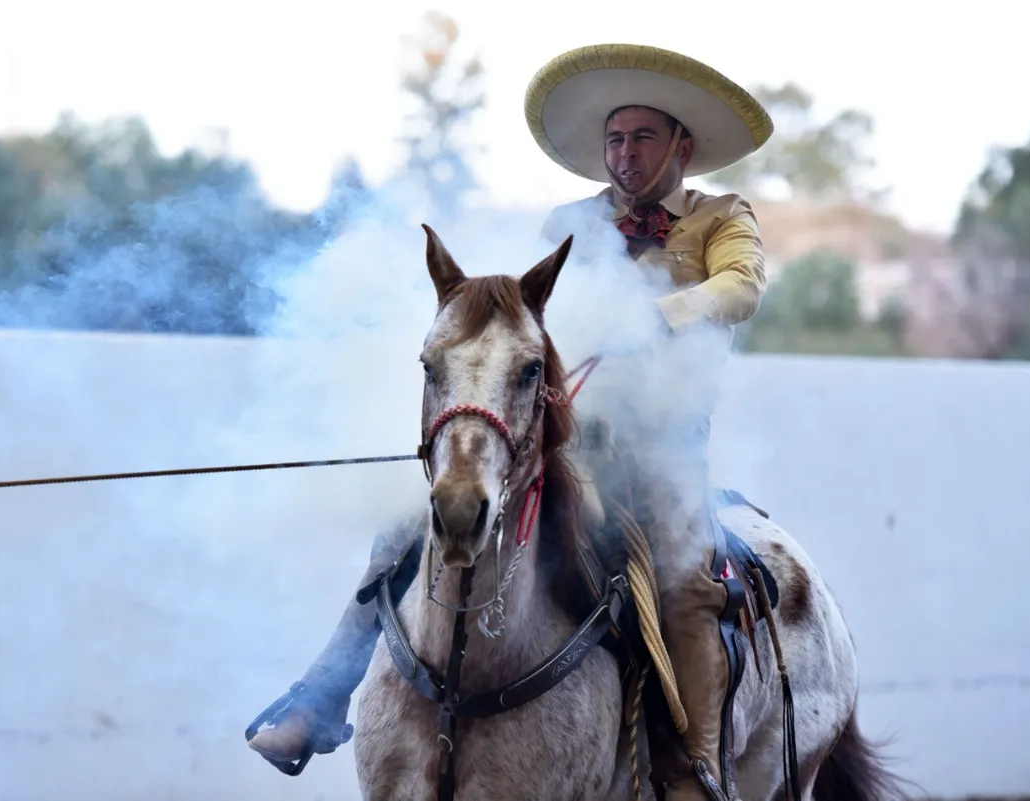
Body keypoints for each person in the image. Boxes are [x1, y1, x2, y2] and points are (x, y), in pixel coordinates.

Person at [245, 43, 773, 801]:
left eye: (643, 137)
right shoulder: (570, 222)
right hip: (561, 437)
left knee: (687, 583)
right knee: (404, 529)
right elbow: (526, 324)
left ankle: (695, 764)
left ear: (681, 145)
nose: (624, 154)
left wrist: (657, 315)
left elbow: (742, 288)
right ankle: (319, 700)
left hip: (661, 451)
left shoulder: (724, 219)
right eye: (615, 139)